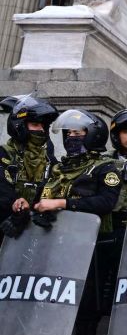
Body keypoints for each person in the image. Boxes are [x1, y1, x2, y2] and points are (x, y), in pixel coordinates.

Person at [29, 109, 122, 335]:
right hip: (51, 251)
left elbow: (106, 202)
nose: (71, 138)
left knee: (75, 321)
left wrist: (63, 203)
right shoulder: (57, 169)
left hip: (89, 252)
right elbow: (42, 199)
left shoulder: (105, 167)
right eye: (68, 133)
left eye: (77, 133)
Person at [0, 96, 58, 238]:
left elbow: (56, 189)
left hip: (33, 236)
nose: (41, 130)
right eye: (35, 124)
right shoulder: (3, 154)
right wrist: (15, 203)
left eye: (44, 126)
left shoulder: (51, 161)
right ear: (19, 125)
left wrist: (43, 209)